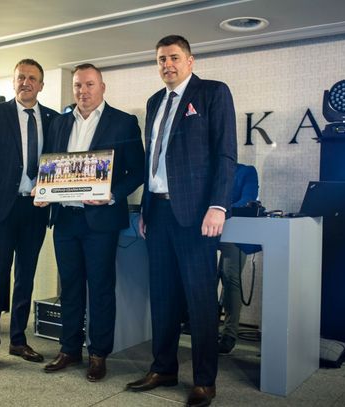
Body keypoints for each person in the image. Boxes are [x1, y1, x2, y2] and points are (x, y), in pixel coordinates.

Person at [126, 35, 237, 407]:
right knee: (162, 296)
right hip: (158, 213)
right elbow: (153, 162)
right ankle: (163, 368)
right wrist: (145, 209)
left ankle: (205, 380)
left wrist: (218, 205)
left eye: (174, 57)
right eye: (161, 59)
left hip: (196, 215)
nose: (167, 65)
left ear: (190, 60)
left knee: (199, 299)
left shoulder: (213, 93)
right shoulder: (154, 101)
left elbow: (225, 154)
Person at [39, 64, 144, 382]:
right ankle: (69, 349)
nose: (82, 91)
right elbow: (50, 165)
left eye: (89, 84)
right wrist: (43, 189)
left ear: (102, 87)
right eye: (77, 85)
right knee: (70, 288)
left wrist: (112, 194)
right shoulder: (59, 122)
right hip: (65, 219)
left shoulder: (123, 122)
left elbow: (137, 171)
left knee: (100, 289)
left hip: (101, 221)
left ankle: (98, 354)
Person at [0, 59, 59, 374]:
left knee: (25, 277)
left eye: (32, 78)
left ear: (41, 85)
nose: (26, 82)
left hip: (35, 210)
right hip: (0, 211)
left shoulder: (52, 118)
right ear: (14, 81)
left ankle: (18, 340)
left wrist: (49, 189)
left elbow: (56, 163)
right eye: (21, 77)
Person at [218, 163, 259, 354]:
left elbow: (247, 200)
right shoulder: (206, 170)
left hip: (233, 232)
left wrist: (217, 210)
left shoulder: (246, 171)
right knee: (204, 278)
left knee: (229, 276)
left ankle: (229, 334)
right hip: (203, 230)